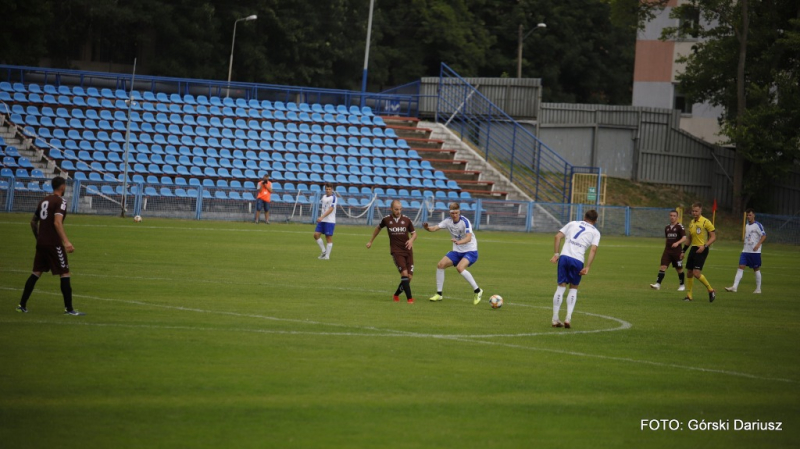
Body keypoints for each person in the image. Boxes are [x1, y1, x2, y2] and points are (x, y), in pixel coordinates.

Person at [16, 176, 85, 315]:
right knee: (64, 273)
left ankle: (21, 305)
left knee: (36, 272)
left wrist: (39, 238)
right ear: (63, 187)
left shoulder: (44, 200)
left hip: (42, 243)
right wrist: (66, 242)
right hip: (54, 243)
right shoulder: (61, 201)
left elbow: (33, 222)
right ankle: (69, 309)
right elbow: (57, 222)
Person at [422, 202, 483, 304]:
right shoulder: (448, 221)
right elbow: (435, 228)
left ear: (459, 212)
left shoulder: (465, 222)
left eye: (456, 213)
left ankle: (477, 290)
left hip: (470, 250)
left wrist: (459, 242)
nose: (454, 215)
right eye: (452, 213)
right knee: (440, 265)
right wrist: (427, 228)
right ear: (450, 213)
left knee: (460, 268)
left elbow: (468, 238)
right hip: (458, 251)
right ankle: (439, 294)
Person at [549, 210, 601, 328]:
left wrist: (556, 254)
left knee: (560, 287)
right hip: (577, 260)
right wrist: (587, 266)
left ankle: (555, 318)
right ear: (596, 221)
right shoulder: (595, 232)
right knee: (573, 288)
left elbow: (557, 237)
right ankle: (568, 318)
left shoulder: (573, 223)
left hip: (564, 257)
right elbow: (593, 250)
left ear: (584, 217)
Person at [366, 200, 417, 303]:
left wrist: (411, 240)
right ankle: (410, 299)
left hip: (408, 251)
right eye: (396, 209)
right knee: (404, 273)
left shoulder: (407, 220)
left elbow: (414, 233)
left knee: (409, 277)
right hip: (396, 251)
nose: (398, 211)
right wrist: (371, 241)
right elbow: (378, 228)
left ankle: (396, 295)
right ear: (391, 209)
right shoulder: (386, 220)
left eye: (400, 209)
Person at [725, 208, 766, 294]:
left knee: (756, 269)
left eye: (750, 215)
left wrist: (758, 245)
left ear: (754, 215)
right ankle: (734, 287)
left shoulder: (758, 225)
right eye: (747, 215)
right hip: (745, 251)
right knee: (740, 267)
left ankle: (758, 289)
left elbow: (764, 236)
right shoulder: (747, 225)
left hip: (755, 252)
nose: (748, 216)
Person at [683, 202, 717, 302]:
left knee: (696, 273)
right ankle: (689, 296)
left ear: (700, 210)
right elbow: (689, 238)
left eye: (696, 211)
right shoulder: (692, 223)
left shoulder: (706, 222)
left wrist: (705, 246)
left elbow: (713, 237)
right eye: (693, 211)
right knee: (689, 272)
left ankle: (710, 290)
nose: (694, 213)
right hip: (693, 248)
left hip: (702, 249)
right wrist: (683, 251)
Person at [650, 209, 688, 291]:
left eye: (674, 216)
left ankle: (682, 285)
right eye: (671, 215)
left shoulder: (680, 227)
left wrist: (677, 243)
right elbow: (667, 239)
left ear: (677, 217)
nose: (672, 217)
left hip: (677, 251)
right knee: (663, 266)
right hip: (667, 251)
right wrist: (666, 247)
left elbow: (684, 238)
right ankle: (658, 284)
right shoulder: (667, 227)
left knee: (679, 269)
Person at [314, 183, 337, 260]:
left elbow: (331, 209)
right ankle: (324, 252)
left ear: (332, 189)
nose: (328, 190)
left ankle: (327, 256)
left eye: (329, 189)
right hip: (322, 220)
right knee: (316, 235)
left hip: (330, 221)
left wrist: (322, 217)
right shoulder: (324, 197)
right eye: (326, 189)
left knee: (328, 237)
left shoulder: (333, 198)